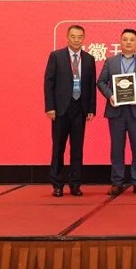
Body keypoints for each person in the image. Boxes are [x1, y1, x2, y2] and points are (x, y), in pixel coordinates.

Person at [97, 28, 136, 196]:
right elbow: (101, 82)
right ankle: (117, 182)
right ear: (120, 41)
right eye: (125, 39)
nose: (128, 42)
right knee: (117, 148)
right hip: (116, 111)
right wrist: (110, 96)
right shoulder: (111, 61)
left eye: (131, 39)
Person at [44, 25, 97, 197]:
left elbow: (91, 85)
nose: (76, 40)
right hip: (60, 109)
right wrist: (50, 107)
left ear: (84, 38)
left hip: (80, 109)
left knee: (77, 149)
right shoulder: (56, 56)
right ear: (67, 37)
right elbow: (49, 83)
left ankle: (75, 184)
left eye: (80, 36)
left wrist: (91, 108)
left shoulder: (89, 59)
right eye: (73, 36)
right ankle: (57, 184)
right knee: (58, 148)